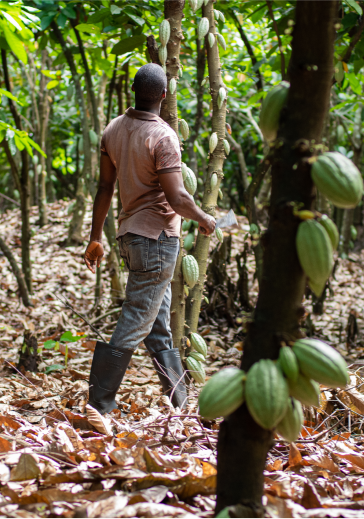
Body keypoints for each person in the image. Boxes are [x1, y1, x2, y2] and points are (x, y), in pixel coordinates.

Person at [83, 63, 216, 414]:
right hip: (156, 240)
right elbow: (178, 198)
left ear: (133, 90)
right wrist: (204, 218)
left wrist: (95, 237)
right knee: (135, 320)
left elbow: (104, 188)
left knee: (157, 328)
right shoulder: (163, 136)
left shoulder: (113, 129)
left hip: (130, 237)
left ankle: (180, 404)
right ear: (164, 95)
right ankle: (98, 404)